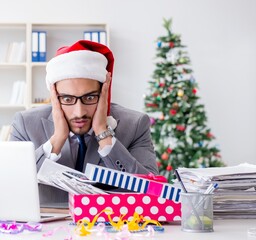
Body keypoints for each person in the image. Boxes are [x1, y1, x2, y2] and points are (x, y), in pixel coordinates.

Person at [9, 40, 159, 205]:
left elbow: (152, 192)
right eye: (67, 98)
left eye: (89, 97)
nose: (79, 112)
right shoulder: (25, 124)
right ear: (54, 96)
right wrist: (57, 139)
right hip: (46, 229)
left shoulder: (135, 125)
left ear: (104, 93)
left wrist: (104, 134)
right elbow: (10, 184)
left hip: (110, 228)